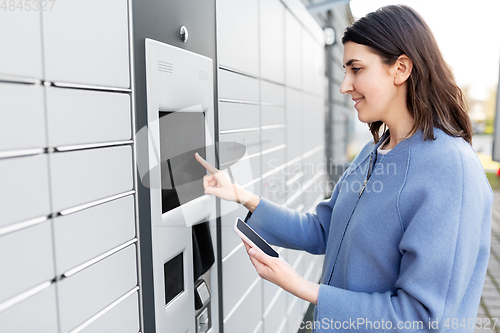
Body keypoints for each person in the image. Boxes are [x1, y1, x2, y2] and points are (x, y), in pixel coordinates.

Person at [195, 5, 493, 332]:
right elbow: (324, 229)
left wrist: (303, 287)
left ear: (401, 69)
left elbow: (420, 317)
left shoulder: (450, 168)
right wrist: (241, 195)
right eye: (345, 70)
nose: (344, 85)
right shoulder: (373, 152)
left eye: (356, 69)